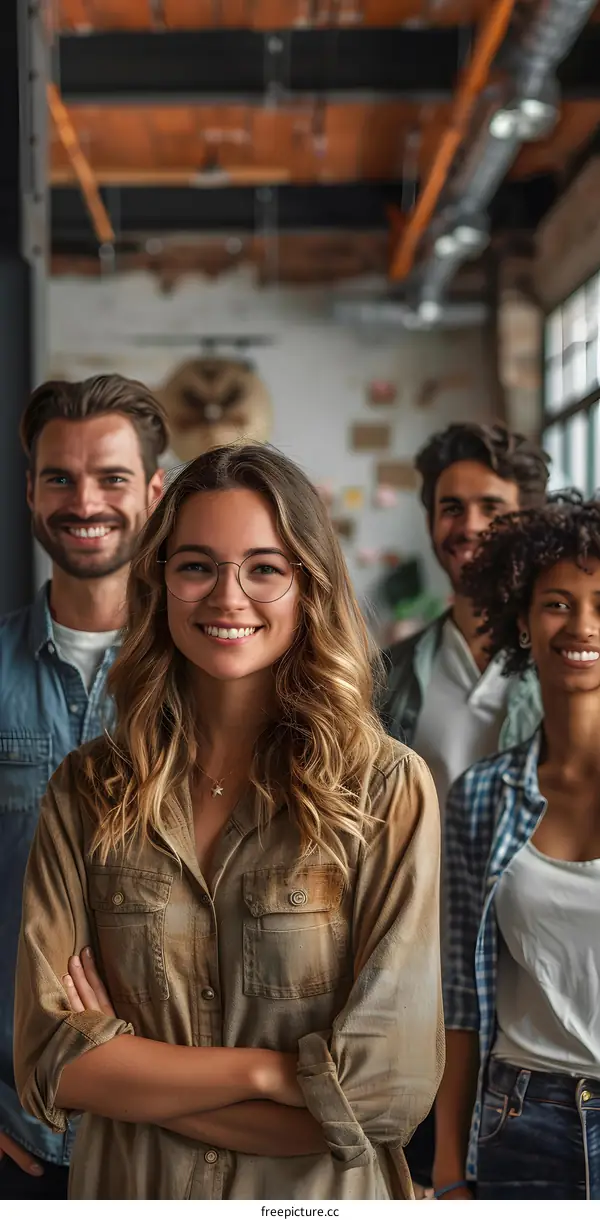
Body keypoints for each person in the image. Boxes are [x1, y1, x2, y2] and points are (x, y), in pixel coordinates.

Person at [14, 443, 443, 1201]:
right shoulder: (88, 789)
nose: (228, 596)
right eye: (196, 566)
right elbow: (54, 1059)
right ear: (161, 584)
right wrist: (268, 1076)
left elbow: (382, 1098)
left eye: (264, 568)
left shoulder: (383, 788)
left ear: (308, 587)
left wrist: (135, 1072)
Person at [0, 375, 166, 1200]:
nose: (84, 500)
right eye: (59, 477)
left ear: (155, 491)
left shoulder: (204, 681)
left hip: (183, 1129)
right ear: (30, 490)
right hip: (21, 1126)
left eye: (111, 478)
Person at [381, 422, 550, 1193]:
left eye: (492, 505)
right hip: (418, 989)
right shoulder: (389, 678)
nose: (470, 526)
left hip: (536, 990)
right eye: (452, 507)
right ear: (429, 522)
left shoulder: (568, 667)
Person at [436, 492, 600, 1201]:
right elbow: (459, 1006)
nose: (582, 625)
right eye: (557, 603)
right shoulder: (478, 797)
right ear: (524, 624)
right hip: (520, 1117)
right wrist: (448, 1171)